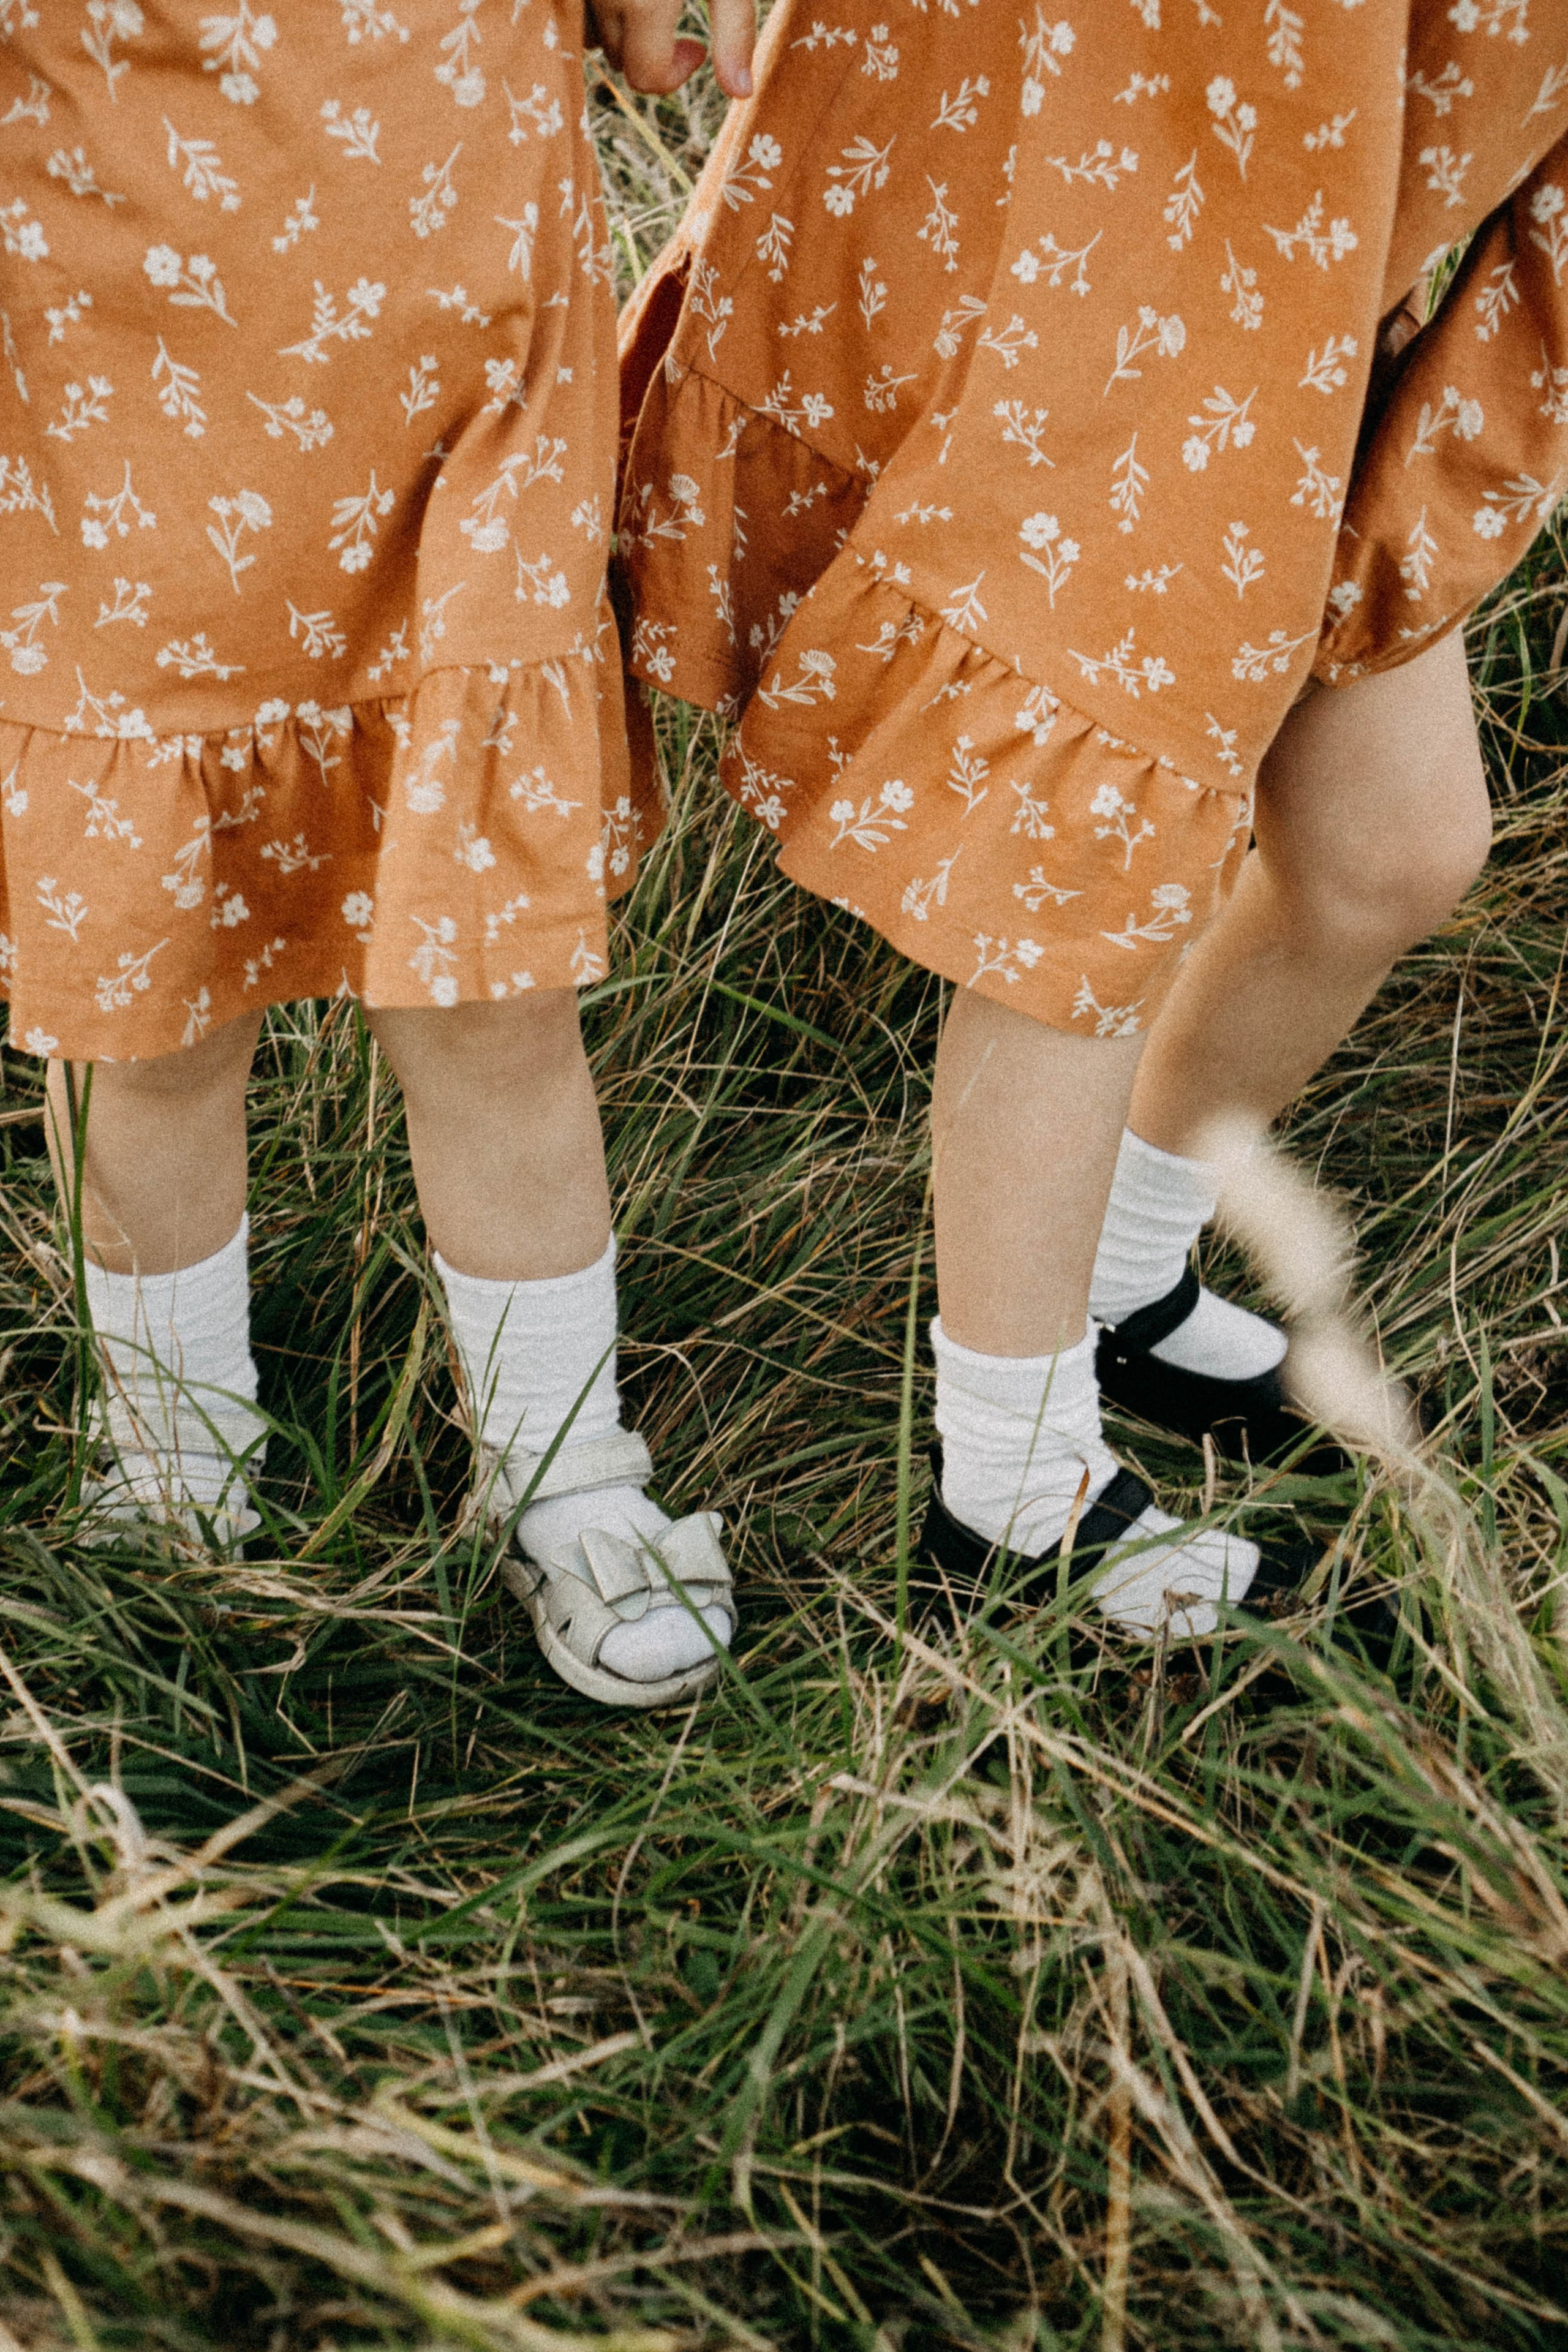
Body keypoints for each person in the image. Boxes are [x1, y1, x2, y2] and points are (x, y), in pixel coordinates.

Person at [616, 0, 1568, 1634]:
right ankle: (1015, 1487)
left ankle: (1122, 1277)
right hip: (1138, 228)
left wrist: (1428, 462)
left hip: (1327, 288)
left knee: (1389, 852)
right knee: (1082, 866)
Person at [0, 1, 755, 1710]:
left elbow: (647, 43)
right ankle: (175, 1457)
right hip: (120, 360)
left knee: (492, 989)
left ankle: (563, 1465)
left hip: (457, 339)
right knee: (156, 1008)